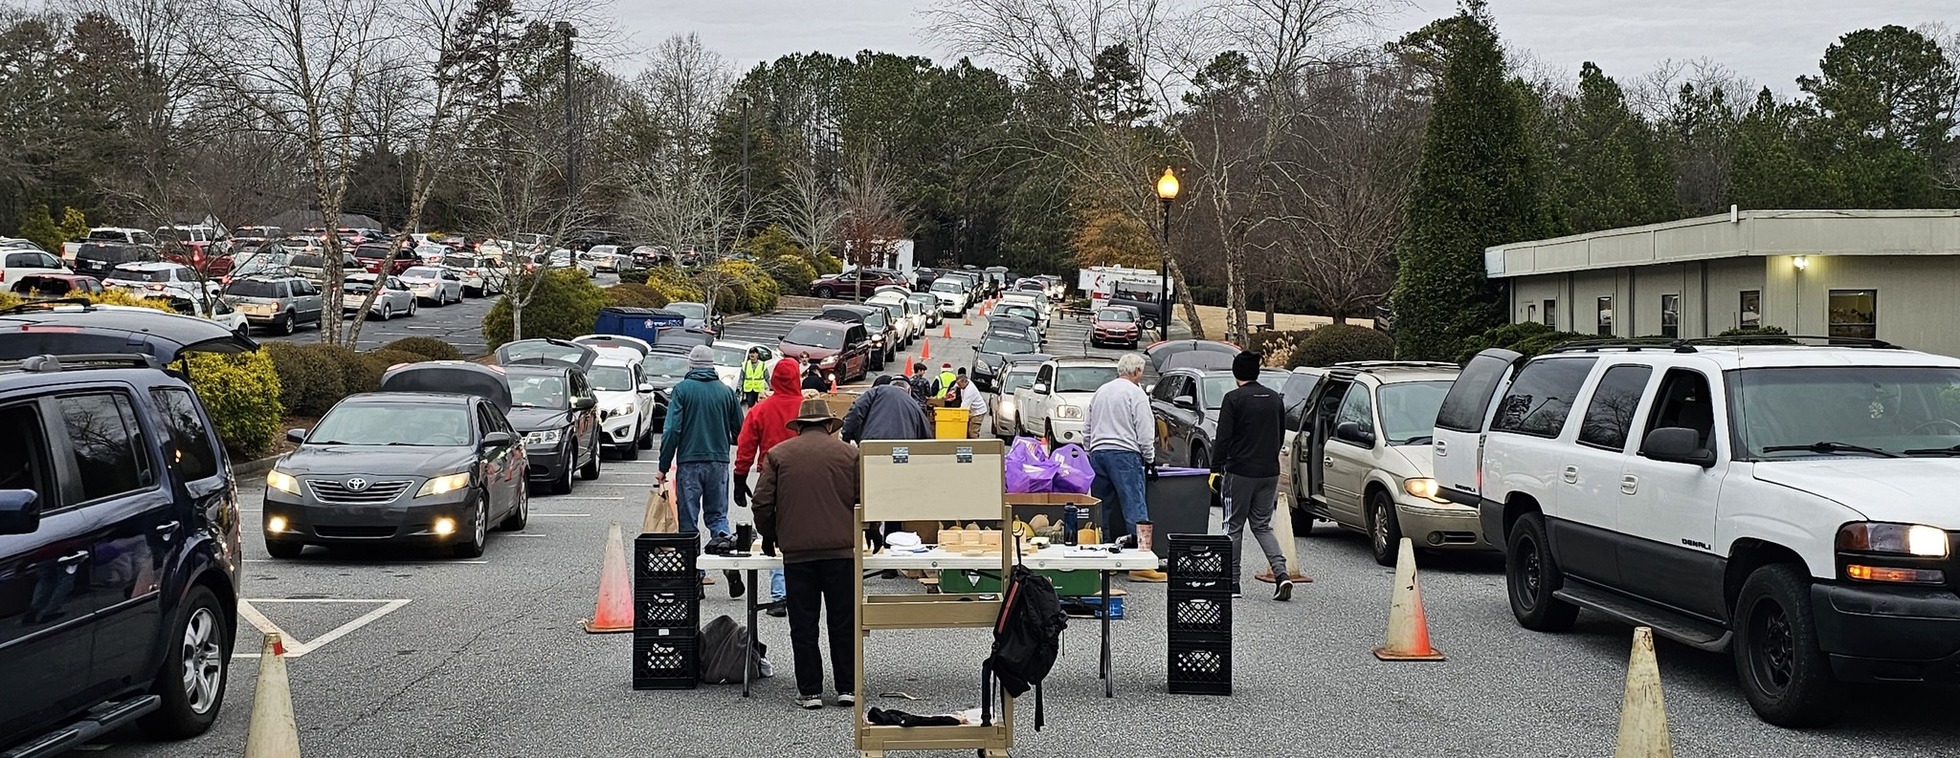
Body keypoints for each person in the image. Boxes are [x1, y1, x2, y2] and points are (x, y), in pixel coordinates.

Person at [753, 398, 861, 710]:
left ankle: (810, 690)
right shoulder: (850, 454)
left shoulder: (779, 455)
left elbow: (761, 502)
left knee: (804, 624)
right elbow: (864, 498)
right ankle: (847, 688)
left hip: (798, 554)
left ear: (799, 427)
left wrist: (770, 534)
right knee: (843, 621)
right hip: (841, 551)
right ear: (829, 425)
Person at [658, 344, 747, 596]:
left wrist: (663, 466)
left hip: (689, 462)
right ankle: (729, 562)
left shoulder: (682, 390)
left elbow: (672, 431)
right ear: (711, 365)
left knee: (688, 521)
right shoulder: (725, 392)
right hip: (718, 462)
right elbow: (739, 429)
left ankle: (694, 578)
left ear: (690, 365)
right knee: (718, 516)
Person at [1213, 351, 1292, 601]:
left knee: (1233, 526)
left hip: (1240, 471)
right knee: (1262, 525)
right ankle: (1281, 574)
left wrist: (1215, 468)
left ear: (1236, 373)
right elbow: (1280, 434)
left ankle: (1232, 582)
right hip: (1269, 471)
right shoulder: (1274, 399)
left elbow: (1223, 437)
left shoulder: (1233, 399)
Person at [1085, 352, 1166, 582]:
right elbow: (1144, 430)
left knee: (1102, 508)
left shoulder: (1101, 391)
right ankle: (1139, 563)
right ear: (1137, 372)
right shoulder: (1136, 394)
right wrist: (1149, 458)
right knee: (1135, 506)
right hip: (1124, 454)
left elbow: (1088, 425)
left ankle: (1105, 559)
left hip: (1098, 453)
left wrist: (1090, 448)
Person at [734, 359, 805, 615]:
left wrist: (740, 477)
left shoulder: (761, 409)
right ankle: (802, 591)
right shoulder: (807, 408)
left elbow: (746, 445)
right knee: (805, 531)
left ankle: (779, 596)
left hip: (771, 476)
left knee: (776, 532)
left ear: (773, 379)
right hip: (805, 475)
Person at [957, 373, 989, 438]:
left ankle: (975, 446)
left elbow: (964, 406)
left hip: (978, 411)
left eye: (959, 385)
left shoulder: (970, 391)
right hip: (972, 411)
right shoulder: (965, 384)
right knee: (967, 430)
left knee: (973, 432)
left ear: (965, 382)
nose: (958, 386)